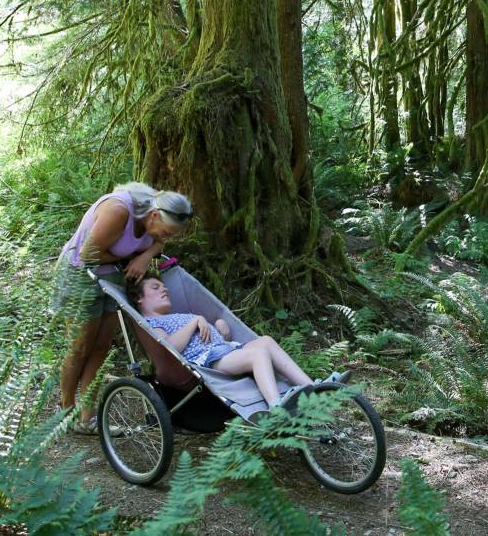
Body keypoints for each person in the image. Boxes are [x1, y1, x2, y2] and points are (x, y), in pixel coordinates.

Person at [56, 182, 193, 433]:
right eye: (166, 232)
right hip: (80, 274)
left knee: (100, 347)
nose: (165, 238)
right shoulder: (119, 210)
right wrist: (131, 258)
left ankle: (87, 419)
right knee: (80, 346)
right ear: (153, 216)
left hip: (113, 276)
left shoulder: (159, 206)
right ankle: (65, 412)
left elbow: (157, 243)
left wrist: (145, 255)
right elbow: (87, 254)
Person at [127, 275, 347, 408]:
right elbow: (170, 348)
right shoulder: (150, 323)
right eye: (155, 287)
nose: (164, 289)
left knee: (266, 341)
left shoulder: (177, 316)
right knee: (257, 354)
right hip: (209, 362)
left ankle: (313, 387)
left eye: (164, 287)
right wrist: (196, 321)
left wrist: (220, 328)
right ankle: (275, 406)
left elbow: (209, 338)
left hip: (225, 349)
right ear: (139, 298)